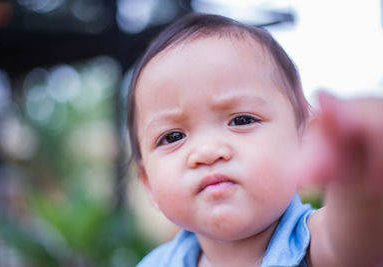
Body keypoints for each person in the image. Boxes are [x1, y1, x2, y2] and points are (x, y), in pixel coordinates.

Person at [127, 13, 383, 267]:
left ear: (303, 140)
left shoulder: (315, 243)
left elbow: (357, 243)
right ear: (148, 183)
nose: (207, 152)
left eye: (241, 120)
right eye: (173, 137)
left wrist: (359, 177)